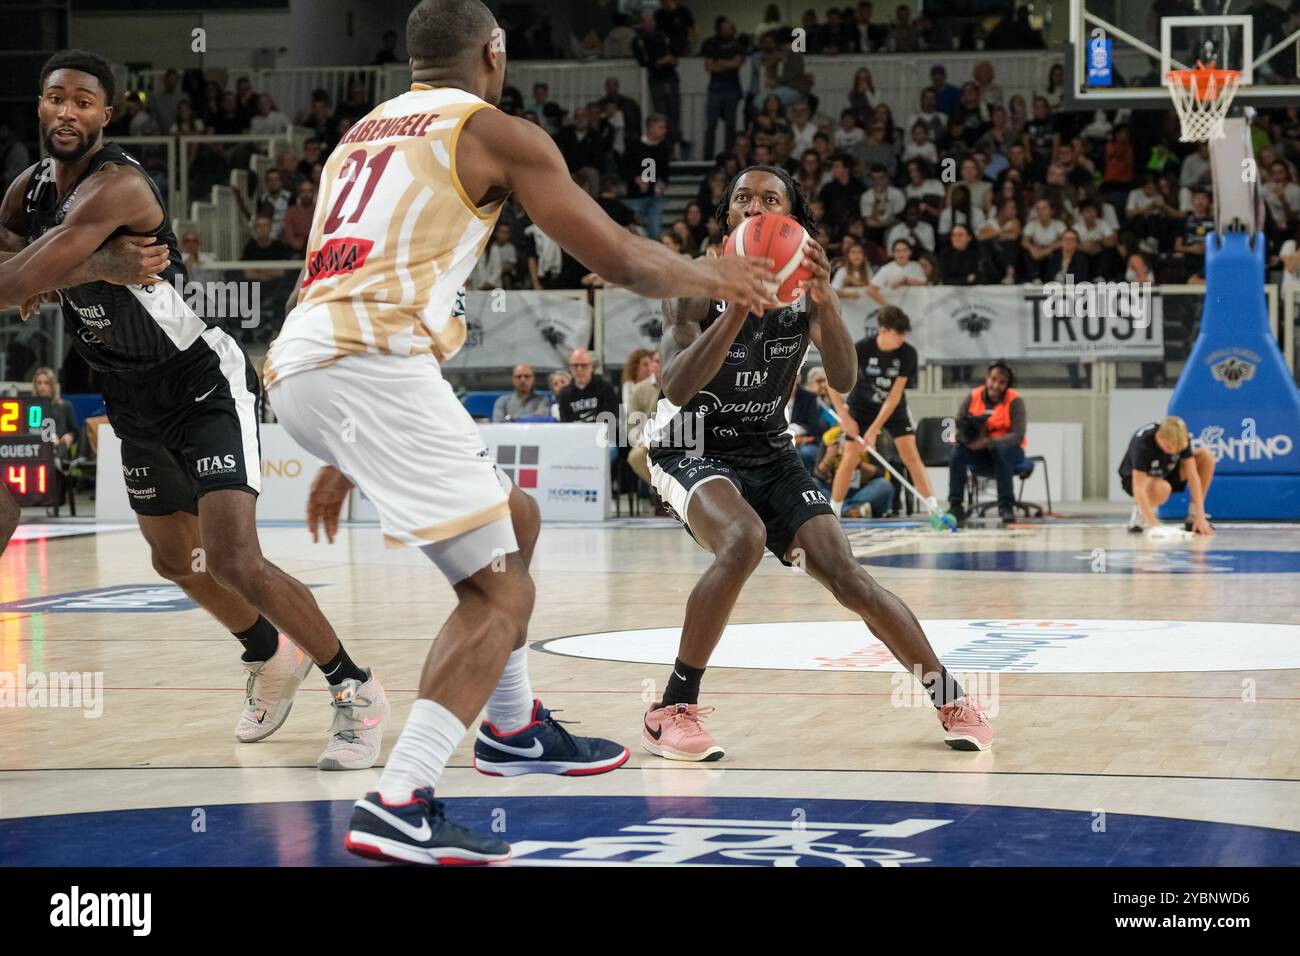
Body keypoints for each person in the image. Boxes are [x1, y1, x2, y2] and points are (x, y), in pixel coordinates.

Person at [262, 0, 777, 865]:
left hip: (302, 363)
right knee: (502, 594)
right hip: (368, 365)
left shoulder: (362, 132)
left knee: (519, 517)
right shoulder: (496, 131)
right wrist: (712, 272)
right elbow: (615, 257)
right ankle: (402, 797)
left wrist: (348, 450)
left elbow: (362, 269)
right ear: (493, 54)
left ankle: (512, 729)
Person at [0, 50, 390, 771]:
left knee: (236, 558)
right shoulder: (25, 193)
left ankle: (355, 687)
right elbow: (16, 269)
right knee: (173, 557)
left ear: (106, 116)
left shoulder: (117, 187)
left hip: (198, 378)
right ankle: (270, 656)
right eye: (56, 98)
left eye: (84, 102)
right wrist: (87, 272)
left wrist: (49, 276)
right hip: (126, 388)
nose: (67, 112)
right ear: (41, 105)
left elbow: (20, 275)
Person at [641, 164, 993, 764]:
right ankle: (671, 707)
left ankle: (948, 695)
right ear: (728, 217)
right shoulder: (693, 281)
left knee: (843, 571)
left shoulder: (805, 288)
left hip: (770, 450)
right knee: (743, 539)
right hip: (692, 445)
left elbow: (847, 379)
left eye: (769, 198)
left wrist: (826, 304)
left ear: (791, 219)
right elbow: (675, 386)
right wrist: (735, 309)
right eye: (742, 199)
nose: (754, 206)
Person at [833, 305, 940, 515]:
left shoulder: (908, 353)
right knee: (850, 457)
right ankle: (833, 511)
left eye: (905, 334)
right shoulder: (861, 349)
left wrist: (874, 430)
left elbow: (894, 396)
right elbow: (832, 382)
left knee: (911, 455)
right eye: (898, 334)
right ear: (883, 330)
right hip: (861, 407)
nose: (902, 338)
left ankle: (934, 508)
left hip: (892, 408)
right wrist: (844, 416)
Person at [946, 361, 1026, 525]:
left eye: (1002, 382)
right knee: (957, 453)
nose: (996, 385)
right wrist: (958, 438)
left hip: (1010, 451)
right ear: (987, 378)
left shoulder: (1015, 400)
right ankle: (955, 506)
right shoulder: (973, 396)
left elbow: (1018, 435)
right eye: (993, 379)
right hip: (979, 452)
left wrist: (989, 442)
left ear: (1007, 385)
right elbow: (956, 423)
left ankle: (1006, 506)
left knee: (1000, 449)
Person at [1121, 417, 1215, 536]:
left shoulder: (1181, 438)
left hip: (1167, 471)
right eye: (1170, 448)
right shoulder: (1142, 443)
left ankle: (1193, 516)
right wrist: (1155, 526)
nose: (1174, 451)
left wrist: (1200, 516)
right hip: (1138, 480)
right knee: (1162, 489)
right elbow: (1138, 487)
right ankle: (1141, 512)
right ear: (1160, 436)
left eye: (1178, 449)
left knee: (1206, 457)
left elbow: (1193, 476)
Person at [557, 348, 620, 423]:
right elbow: (564, 424)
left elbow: (613, 419)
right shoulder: (564, 394)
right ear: (570, 368)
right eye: (575, 365)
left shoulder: (605, 389)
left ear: (591, 366)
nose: (579, 369)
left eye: (584, 365)